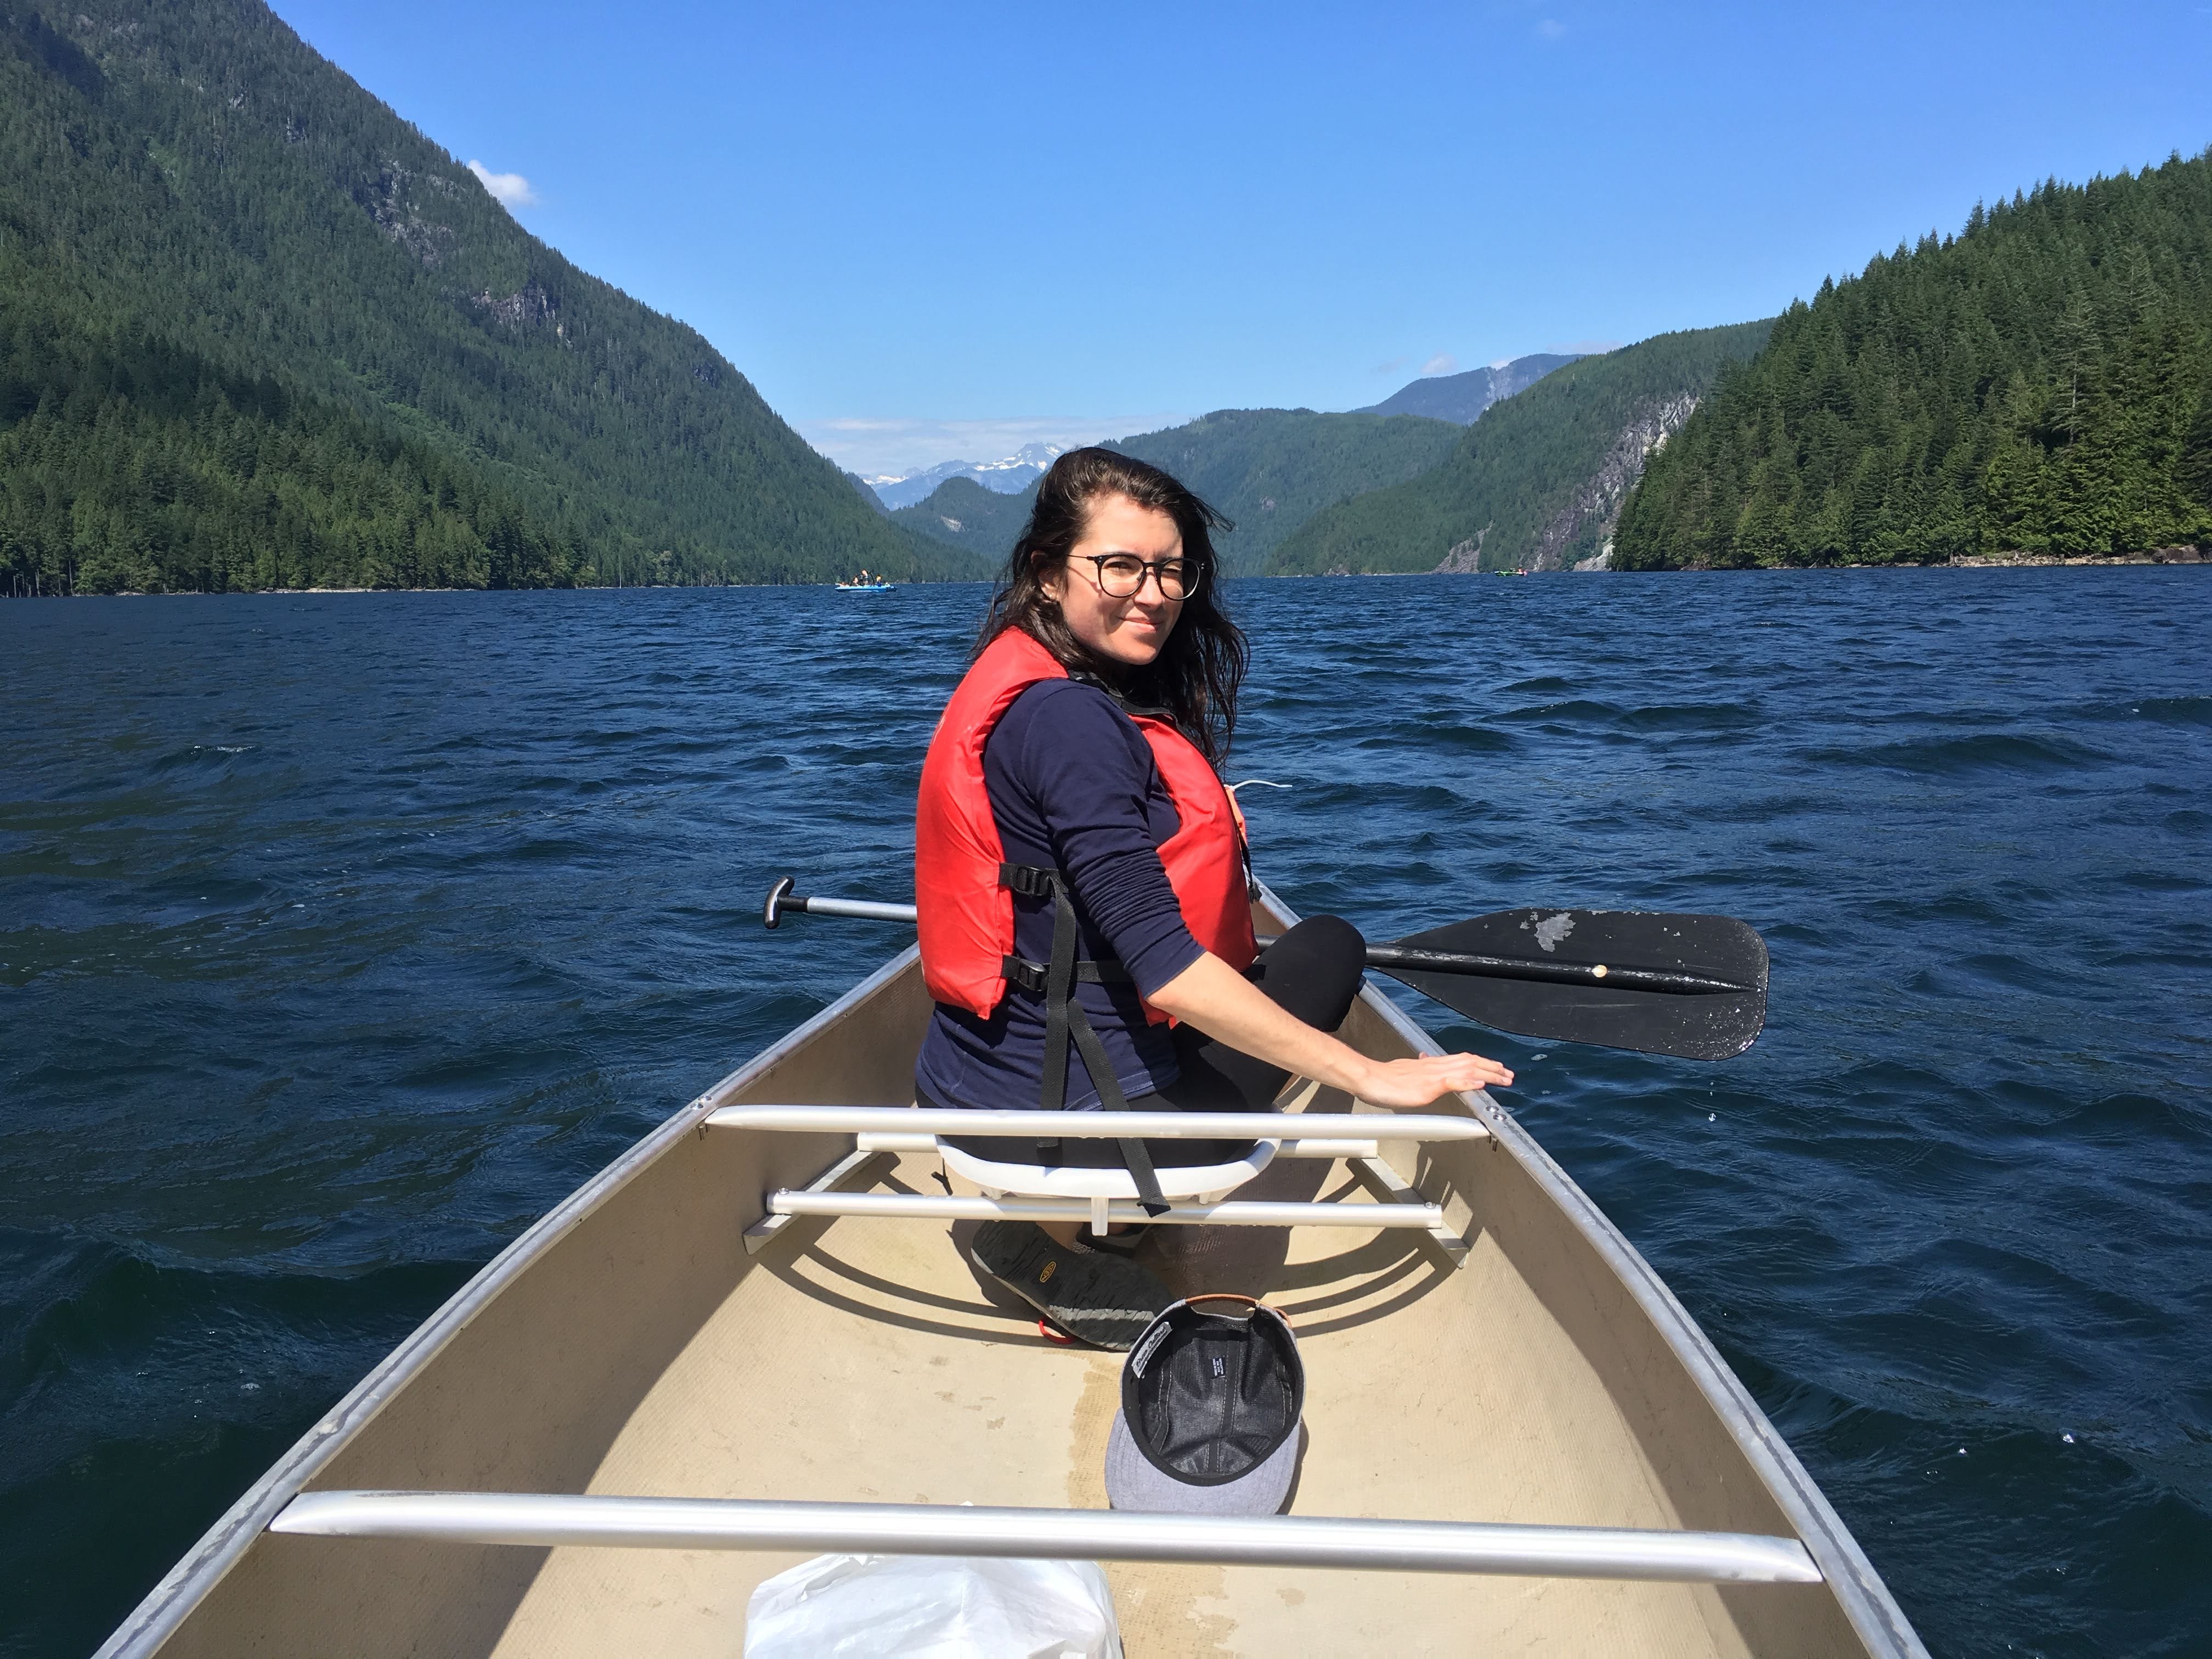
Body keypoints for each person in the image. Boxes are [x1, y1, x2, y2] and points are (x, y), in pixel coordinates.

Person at [912, 449, 1512, 1346]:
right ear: (1047, 572)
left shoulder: (1019, 688)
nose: (1151, 593)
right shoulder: (1075, 723)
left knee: (1254, 967)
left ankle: (1035, 1222)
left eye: (1168, 570)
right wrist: (1368, 1075)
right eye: (1118, 565)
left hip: (960, 1090)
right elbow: (1168, 974)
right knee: (1332, 947)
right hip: (1076, 1128)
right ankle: (1065, 1239)